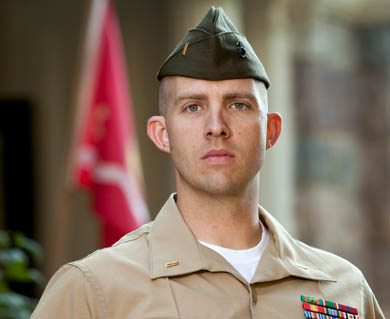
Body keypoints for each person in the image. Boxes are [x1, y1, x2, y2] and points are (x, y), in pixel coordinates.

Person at [31, 7, 384, 319]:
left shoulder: (345, 290)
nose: (216, 127)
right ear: (161, 133)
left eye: (238, 105)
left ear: (271, 131)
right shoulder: (94, 290)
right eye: (193, 107)